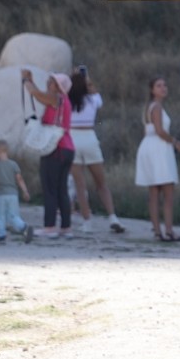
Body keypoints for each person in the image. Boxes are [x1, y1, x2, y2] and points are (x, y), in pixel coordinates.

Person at [68, 68, 125, 234]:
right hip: (89, 137)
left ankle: (87, 221)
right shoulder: (93, 99)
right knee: (101, 183)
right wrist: (86, 76)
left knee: (80, 184)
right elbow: (93, 89)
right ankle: (112, 216)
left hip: (73, 138)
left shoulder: (66, 101)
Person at [21, 69, 76, 240]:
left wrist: (26, 81)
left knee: (50, 188)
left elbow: (37, 95)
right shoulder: (63, 100)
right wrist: (31, 82)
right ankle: (66, 227)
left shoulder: (56, 99)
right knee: (61, 190)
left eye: (51, 82)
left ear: (59, 86)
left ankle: (50, 226)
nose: (48, 83)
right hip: (67, 148)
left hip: (55, 149)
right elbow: (40, 94)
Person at [135, 76, 180, 241]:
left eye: (164, 85)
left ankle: (158, 231)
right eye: (159, 86)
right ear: (152, 90)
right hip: (159, 148)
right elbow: (159, 130)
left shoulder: (148, 107)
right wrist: (175, 142)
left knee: (154, 192)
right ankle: (168, 230)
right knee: (167, 192)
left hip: (148, 146)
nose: (163, 88)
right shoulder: (156, 107)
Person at [0, 140, 34, 244]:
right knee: (13, 215)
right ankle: (23, 226)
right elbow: (19, 179)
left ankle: (1, 236)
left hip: (0, 195)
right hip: (13, 194)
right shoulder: (13, 164)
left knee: (0, 215)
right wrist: (25, 191)